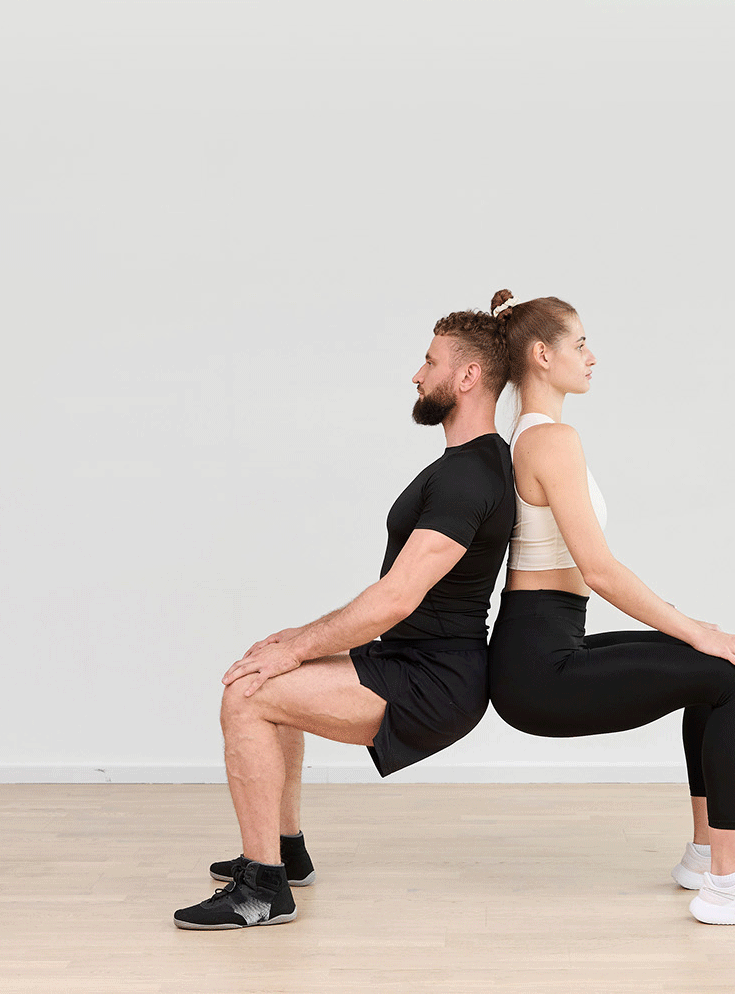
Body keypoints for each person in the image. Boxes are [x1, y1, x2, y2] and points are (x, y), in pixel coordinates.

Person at [484, 289, 735, 927]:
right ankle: (729, 883)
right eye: (580, 343)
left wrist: (692, 631)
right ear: (543, 355)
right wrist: (693, 628)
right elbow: (599, 570)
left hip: (544, 645)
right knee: (731, 676)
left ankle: (709, 854)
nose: (592, 356)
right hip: (539, 669)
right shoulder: (552, 439)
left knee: (714, 667)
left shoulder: (530, 436)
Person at [173, 308, 516, 930]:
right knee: (274, 675)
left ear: (468, 376)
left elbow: (394, 599)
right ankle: (285, 852)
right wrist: (296, 642)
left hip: (434, 681)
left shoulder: (469, 477)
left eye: (430, 362)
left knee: (247, 694)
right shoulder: (470, 465)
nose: (417, 374)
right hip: (415, 661)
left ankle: (262, 890)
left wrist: (298, 647)